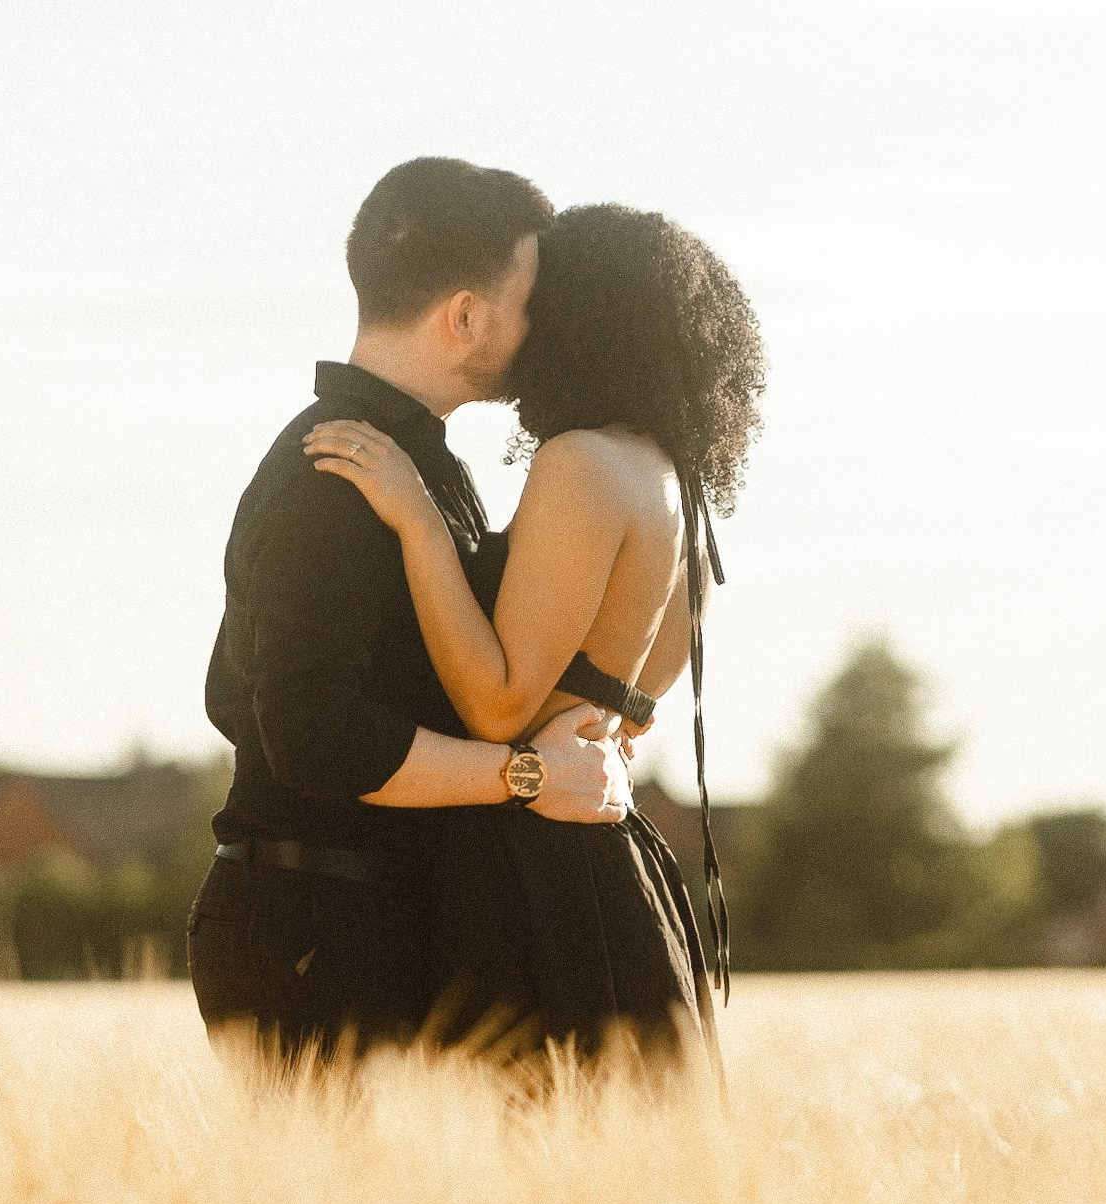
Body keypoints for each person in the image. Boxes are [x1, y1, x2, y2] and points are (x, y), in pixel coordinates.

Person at [190, 158, 635, 1063]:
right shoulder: (333, 475)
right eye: (530, 303)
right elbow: (315, 734)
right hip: (312, 927)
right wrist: (528, 776)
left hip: (360, 919)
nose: (544, 329)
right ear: (465, 316)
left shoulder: (412, 464)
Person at [303, 202, 766, 1066]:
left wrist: (417, 520)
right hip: (620, 871)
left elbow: (498, 703)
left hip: (527, 871)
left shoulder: (583, 463)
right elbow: (626, 719)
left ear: (578, 319)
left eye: (537, 301)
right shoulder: (682, 493)